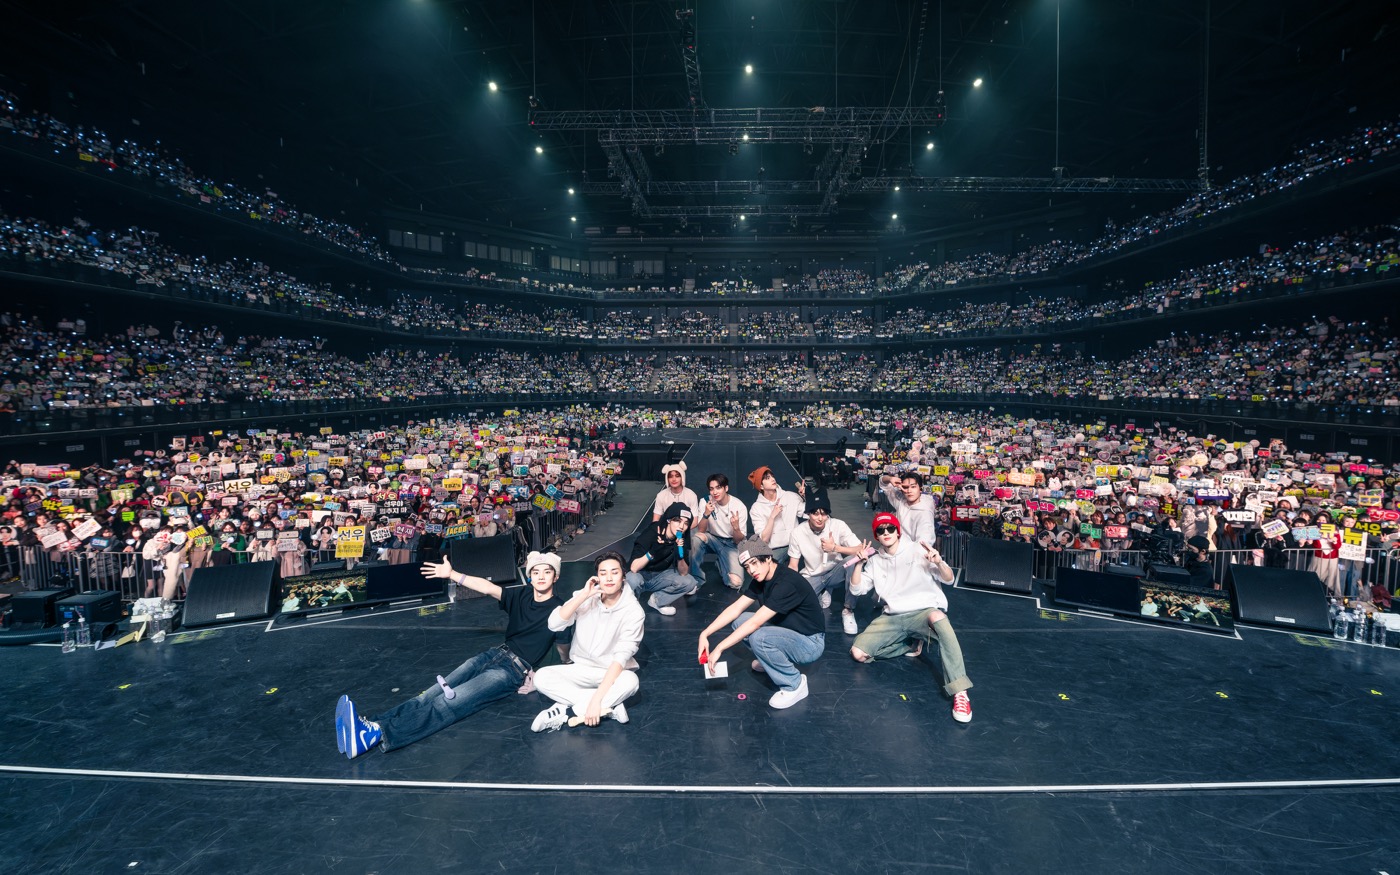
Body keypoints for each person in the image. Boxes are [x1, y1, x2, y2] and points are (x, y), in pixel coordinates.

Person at [334, 550, 567, 759]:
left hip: (511, 672)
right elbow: (487, 587)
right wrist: (452, 574)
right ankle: (374, 725)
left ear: (555, 577)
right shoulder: (521, 595)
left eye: (547, 572)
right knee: (430, 694)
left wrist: (540, 678)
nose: (541, 576)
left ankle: (377, 734)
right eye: (536, 572)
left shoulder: (562, 610)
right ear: (529, 576)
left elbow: (564, 653)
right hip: (493, 655)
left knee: (450, 702)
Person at [850, 513, 974, 724]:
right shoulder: (876, 561)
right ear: (876, 536)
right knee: (858, 653)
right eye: (881, 530)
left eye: (890, 528)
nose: (886, 533)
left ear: (898, 531)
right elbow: (856, 590)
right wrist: (859, 565)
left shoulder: (918, 549)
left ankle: (960, 692)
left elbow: (949, 579)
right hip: (892, 617)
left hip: (922, 612)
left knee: (938, 616)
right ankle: (909, 643)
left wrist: (939, 562)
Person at [698, 537, 826, 709]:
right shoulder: (762, 578)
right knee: (740, 621)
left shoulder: (786, 583)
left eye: (754, 563)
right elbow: (735, 608)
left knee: (759, 637)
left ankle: (794, 684)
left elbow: (755, 623)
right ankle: (772, 661)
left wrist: (719, 647)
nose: (751, 570)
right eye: (746, 567)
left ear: (768, 558)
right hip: (788, 631)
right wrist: (705, 633)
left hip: (810, 643)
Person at [531, 551, 644, 731]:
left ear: (623, 576)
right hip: (580, 668)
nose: (609, 578)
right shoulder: (586, 597)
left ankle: (567, 711)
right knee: (541, 677)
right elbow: (554, 624)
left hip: (610, 672)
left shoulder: (634, 611)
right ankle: (610, 707)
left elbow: (620, 658)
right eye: (603, 573)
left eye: (614, 572)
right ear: (597, 576)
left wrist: (596, 700)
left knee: (631, 681)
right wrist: (583, 596)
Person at [786, 489, 868, 635]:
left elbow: (861, 549)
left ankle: (848, 610)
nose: (820, 518)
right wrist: (791, 587)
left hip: (835, 572)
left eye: (824, 513)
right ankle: (823, 591)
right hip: (812, 575)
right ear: (808, 513)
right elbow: (793, 565)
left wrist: (835, 548)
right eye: (815, 513)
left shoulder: (838, 525)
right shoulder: (797, 532)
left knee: (854, 560)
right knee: (798, 607)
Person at [627, 501, 697, 616]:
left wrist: (680, 555)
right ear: (669, 520)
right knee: (632, 579)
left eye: (686, 523)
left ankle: (657, 600)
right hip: (640, 574)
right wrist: (653, 550)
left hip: (659, 576)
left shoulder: (681, 539)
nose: (681, 526)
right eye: (677, 521)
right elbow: (634, 568)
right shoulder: (654, 531)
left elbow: (684, 573)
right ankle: (631, 607)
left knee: (689, 582)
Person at [691, 472, 749, 591]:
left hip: (731, 544)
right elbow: (701, 530)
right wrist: (706, 514)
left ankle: (721, 562)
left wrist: (736, 528)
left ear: (726, 488)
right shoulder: (705, 501)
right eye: (711, 489)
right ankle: (696, 579)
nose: (715, 492)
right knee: (696, 538)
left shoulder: (739, 506)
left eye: (718, 488)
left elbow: (738, 541)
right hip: (712, 539)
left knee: (735, 584)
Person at [748, 466, 804, 564]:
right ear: (761, 486)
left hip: (796, 545)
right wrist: (772, 517)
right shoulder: (756, 508)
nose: (773, 479)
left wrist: (805, 497)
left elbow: (809, 514)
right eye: (767, 478)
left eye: (772, 476)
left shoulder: (790, 496)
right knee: (766, 567)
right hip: (775, 549)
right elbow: (764, 539)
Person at [879, 470, 938, 546]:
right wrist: (890, 479)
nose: (909, 491)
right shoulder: (901, 500)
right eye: (905, 487)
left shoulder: (925, 513)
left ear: (920, 489)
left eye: (913, 487)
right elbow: (883, 484)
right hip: (896, 548)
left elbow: (925, 542)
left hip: (911, 551)